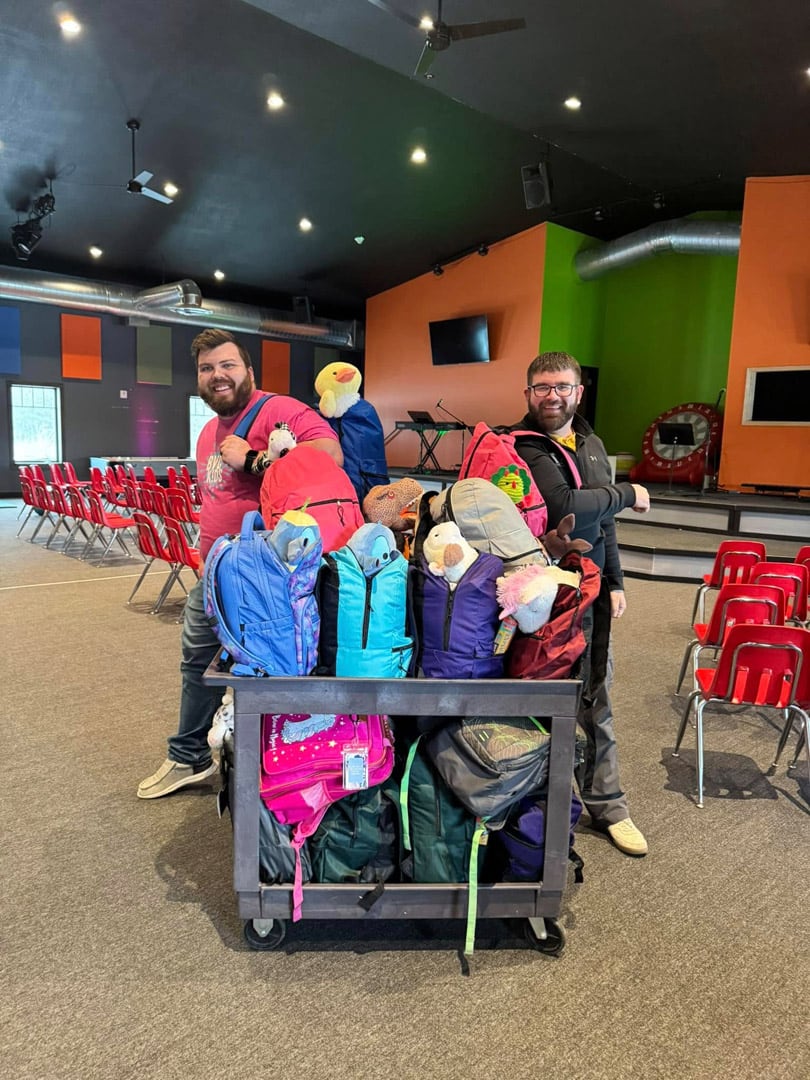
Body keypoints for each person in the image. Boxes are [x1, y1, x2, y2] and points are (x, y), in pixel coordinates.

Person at [137, 328, 343, 799]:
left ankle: (282, 774)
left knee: (272, 674)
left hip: (266, 578)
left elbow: (330, 456)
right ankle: (190, 756)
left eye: (227, 365)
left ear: (249, 370)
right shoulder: (208, 430)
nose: (218, 375)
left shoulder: (278, 410)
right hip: (216, 573)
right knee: (198, 663)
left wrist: (254, 459)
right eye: (207, 368)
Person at [512, 351, 651, 856]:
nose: (552, 396)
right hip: (542, 595)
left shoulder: (591, 443)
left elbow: (602, 521)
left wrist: (616, 581)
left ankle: (609, 805)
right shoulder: (523, 445)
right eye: (542, 387)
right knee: (540, 699)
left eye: (562, 387)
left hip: (591, 590)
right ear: (528, 394)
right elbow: (563, 505)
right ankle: (533, 802)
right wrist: (629, 492)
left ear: (578, 392)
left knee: (597, 695)